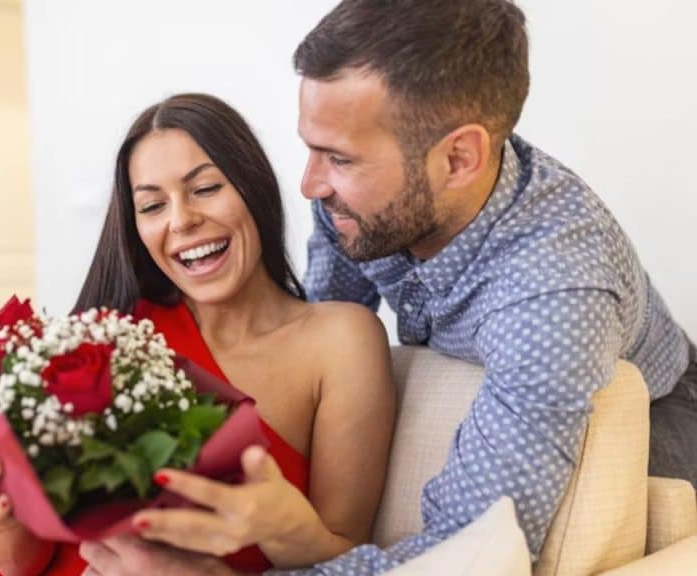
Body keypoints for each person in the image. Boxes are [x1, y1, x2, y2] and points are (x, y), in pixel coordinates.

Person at [80, 1, 697, 575]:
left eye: (340, 159)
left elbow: (466, 552)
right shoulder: (354, 196)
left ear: (459, 160)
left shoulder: (552, 298)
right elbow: (321, 336)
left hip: (665, 404)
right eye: (312, 149)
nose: (308, 185)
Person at [0, 93, 396, 575]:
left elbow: (345, 559)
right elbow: (25, 561)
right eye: (151, 205)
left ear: (254, 186)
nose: (181, 220)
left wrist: (275, 523)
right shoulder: (107, 340)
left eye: (205, 188)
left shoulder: (341, 340)